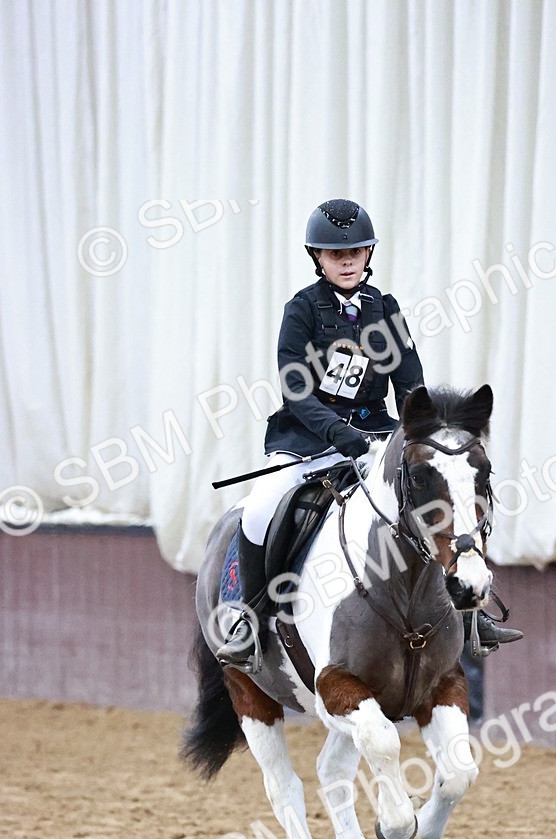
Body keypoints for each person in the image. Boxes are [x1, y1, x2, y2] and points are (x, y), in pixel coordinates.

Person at [217, 198, 521, 670]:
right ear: (317, 257)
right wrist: (338, 432)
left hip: (375, 439)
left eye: (355, 252)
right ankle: (250, 620)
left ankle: (472, 616)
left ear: (368, 254)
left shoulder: (386, 310)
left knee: (442, 493)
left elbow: (410, 384)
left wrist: (416, 430)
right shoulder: (301, 310)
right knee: (258, 511)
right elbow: (295, 390)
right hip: (307, 440)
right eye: (336, 254)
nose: (347, 262)